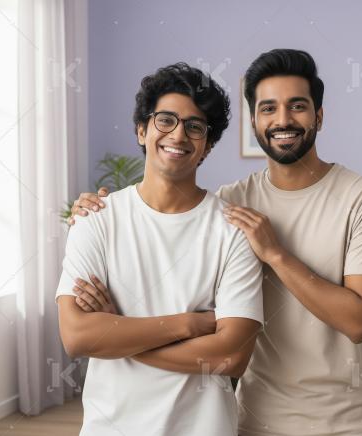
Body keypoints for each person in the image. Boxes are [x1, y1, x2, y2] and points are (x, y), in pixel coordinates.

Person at [71, 49, 362, 436]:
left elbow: (359, 321)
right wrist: (90, 210)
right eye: (268, 108)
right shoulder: (233, 204)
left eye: (297, 106)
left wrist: (275, 254)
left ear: (319, 117)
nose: (282, 120)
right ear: (254, 121)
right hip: (254, 417)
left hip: (344, 421)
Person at [56, 63, 264, 436]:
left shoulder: (233, 231)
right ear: (142, 129)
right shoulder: (94, 219)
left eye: (195, 126)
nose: (178, 134)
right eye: (165, 120)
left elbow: (232, 356)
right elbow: (77, 336)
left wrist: (119, 332)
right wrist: (192, 324)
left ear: (207, 146)